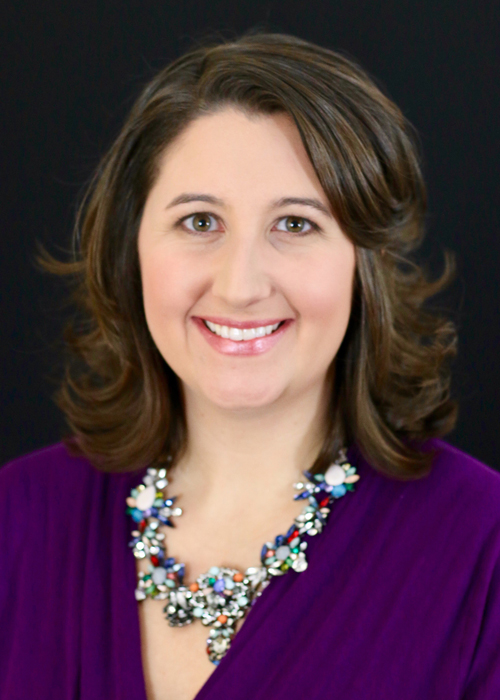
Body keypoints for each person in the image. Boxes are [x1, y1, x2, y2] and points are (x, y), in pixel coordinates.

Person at [1, 30, 499, 700]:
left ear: (363, 263)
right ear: (132, 249)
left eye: (295, 224)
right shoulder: (18, 519)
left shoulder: (483, 549)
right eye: (200, 222)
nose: (240, 285)